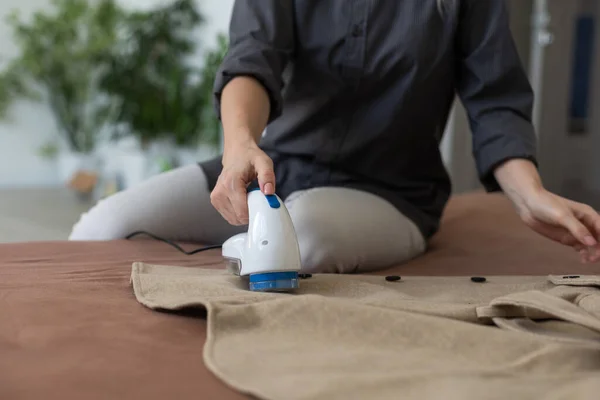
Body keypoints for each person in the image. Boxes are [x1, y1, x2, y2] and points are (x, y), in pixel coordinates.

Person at [69, 0, 600, 272]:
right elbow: (251, 62)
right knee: (105, 226)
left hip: (389, 193)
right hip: (273, 168)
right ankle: (252, 244)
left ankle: (258, 249)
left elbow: (494, 98)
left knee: (303, 240)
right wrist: (239, 149)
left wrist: (529, 194)